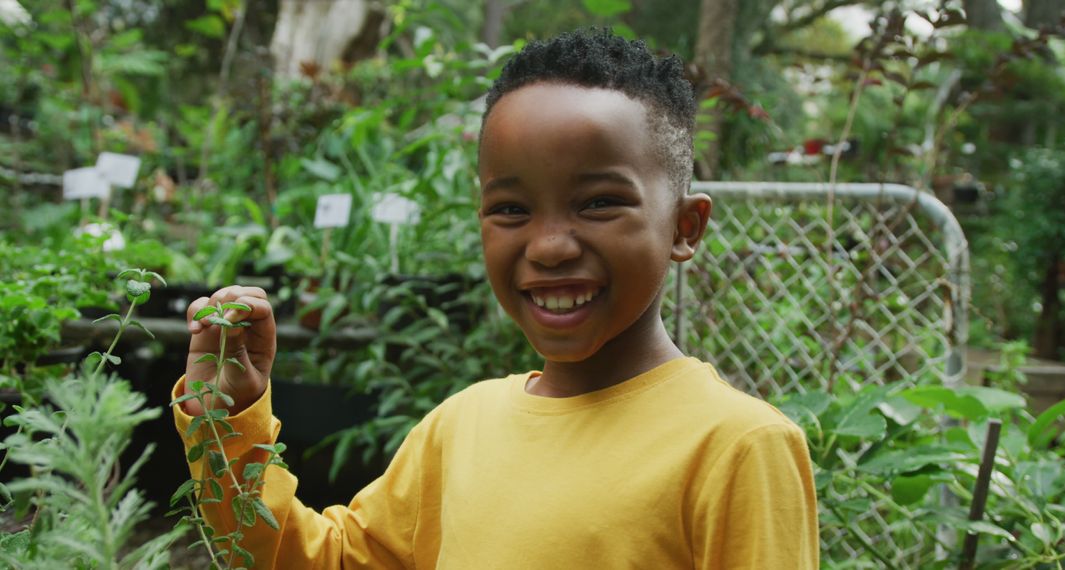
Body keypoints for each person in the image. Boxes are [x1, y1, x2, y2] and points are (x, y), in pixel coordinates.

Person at [173, 28, 818, 569]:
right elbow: (317, 560)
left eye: (599, 202)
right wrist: (226, 422)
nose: (551, 246)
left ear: (685, 227)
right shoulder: (462, 426)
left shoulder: (735, 446)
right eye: (511, 208)